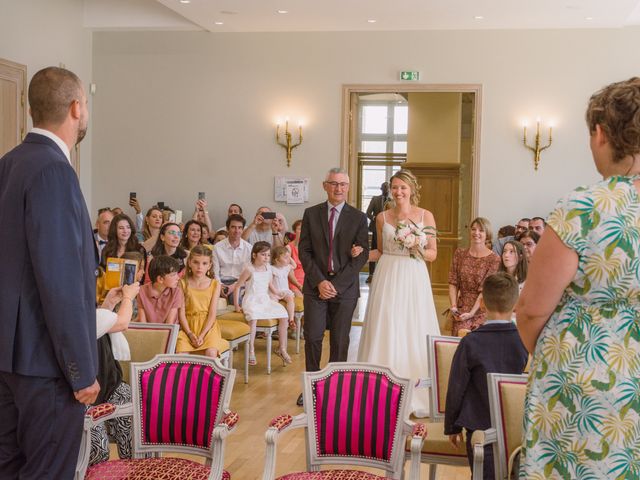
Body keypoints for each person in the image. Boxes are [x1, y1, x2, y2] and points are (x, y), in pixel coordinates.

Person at [518, 78, 640, 478]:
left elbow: (532, 310)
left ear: (601, 134)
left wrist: (561, 349)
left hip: (582, 379)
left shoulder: (583, 207)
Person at [0, 66, 99, 479]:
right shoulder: (54, 170)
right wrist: (81, 370)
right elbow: (59, 282)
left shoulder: (8, 164)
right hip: (46, 363)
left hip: (6, 359)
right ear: (76, 108)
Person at [357, 169, 440, 417]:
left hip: (414, 274)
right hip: (388, 273)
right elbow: (381, 250)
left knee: (413, 325)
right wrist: (353, 257)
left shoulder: (426, 216)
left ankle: (414, 388)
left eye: (403, 187)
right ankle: (380, 391)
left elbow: (433, 253)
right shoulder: (382, 217)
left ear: (412, 189)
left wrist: (417, 247)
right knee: (387, 323)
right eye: (395, 187)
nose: (398, 191)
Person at [444, 273, 528, 480]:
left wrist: (452, 426)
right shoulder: (524, 341)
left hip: (478, 425)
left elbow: (457, 386)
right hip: (516, 428)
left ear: (482, 305)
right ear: (515, 305)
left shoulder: (470, 343)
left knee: (482, 475)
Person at [298, 167, 369, 406]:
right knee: (313, 337)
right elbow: (304, 251)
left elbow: (361, 255)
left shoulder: (359, 217)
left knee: (340, 340)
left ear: (348, 187)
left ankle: (335, 387)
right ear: (325, 185)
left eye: (343, 184)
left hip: (344, 289)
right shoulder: (311, 214)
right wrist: (320, 281)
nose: (338, 188)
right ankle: (310, 386)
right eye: (334, 183)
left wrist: (335, 285)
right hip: (315, 286)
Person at [90, 282, 140, 466]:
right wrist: (128, 298)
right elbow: (121, 323)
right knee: (98, 450)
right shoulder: (71, 313)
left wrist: (109, 303)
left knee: (136, 431)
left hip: (110, 384)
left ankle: (134, 470)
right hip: (84, 392)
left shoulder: (91, 314)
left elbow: (98, 324)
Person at [234, 242, 291, 366]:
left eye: (268, 255)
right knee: (253, 318)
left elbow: (269, 284)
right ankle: (251, 349)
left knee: (284, 315)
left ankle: (282, 348)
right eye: (263, 254)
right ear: (254, 255)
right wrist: (237, 305)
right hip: (252, 299)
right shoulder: (249, 269)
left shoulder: (268, 268)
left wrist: (277, 292)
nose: (266, 257)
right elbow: (238, 286)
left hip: (264, 299)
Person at [448, 218, 500, 336]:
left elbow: (485, 290)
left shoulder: (494, 259)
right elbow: (453, 282)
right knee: (460, 340)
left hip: (482, 308)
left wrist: (472, 313)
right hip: (461, 307)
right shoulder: (459, 254)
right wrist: (454, 307)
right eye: (473, 229)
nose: (476, 233)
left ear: (487, 234)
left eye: (481, 230)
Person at [175, 246, 229, 358]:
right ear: (189, 262)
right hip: (187, 327)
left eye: (204, 263)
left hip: (208, 327)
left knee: (211, 353)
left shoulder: (215, 284)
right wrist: (190, 334)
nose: (200, 267)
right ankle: (187, 376)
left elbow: (212, 314)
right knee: (181, 354)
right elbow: (181, 313)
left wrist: (202, 335)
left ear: (209, 266)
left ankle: (209, 375)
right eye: (196, 262)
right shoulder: (182, 283)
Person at [212, 214, 252, 303]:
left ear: (243, 229)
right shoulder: (217, 247)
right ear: (227, 229)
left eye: (240, 227)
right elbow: (215, 272)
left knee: (235, 299)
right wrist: (220, 286)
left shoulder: (249, 249)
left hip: (240, 283)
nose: (237, 231)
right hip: (221, 281)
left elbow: (249, 275)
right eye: (233, 227)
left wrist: (234, 286)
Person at [137, 255, 184, 324]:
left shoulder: (176, 292)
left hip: (168, 331)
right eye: (173, 275)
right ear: (160, 279)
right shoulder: (142, 291)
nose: (178, 278)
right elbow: (142, 322)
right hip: (147, 331)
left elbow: (169, 324)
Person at [271, 245, 303, 329]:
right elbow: (269, 283)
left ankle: (291, 319)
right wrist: (275, 292)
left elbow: (295, 265)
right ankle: (275, 320)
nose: (288, 259)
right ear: (277, 260)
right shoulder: (272, 269)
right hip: (275, 292)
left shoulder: (286, 267)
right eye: (285, 257)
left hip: (285, 291)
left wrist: (289, 257)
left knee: (290, 299)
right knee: (274, 302)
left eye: (288, 257)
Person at [365, 181, 389, 282]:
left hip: (387, 230)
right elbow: (368, 213)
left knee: (386, 252)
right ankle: (371, 274)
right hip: (375, 228)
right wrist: (376, 218)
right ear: (381, 189)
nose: (386, 190)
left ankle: (382, 274)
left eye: (387, 188)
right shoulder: (375, 199)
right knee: (375, 250)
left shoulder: (392, 201)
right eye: (384, 188)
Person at [286, 219, 305, 292]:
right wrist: (298, 285)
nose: (303, 231)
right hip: (294, 280)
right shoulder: (288, 248)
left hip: (309, 280)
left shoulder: (311, 247)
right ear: (294, 231)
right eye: (300, 229)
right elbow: (287, 270)